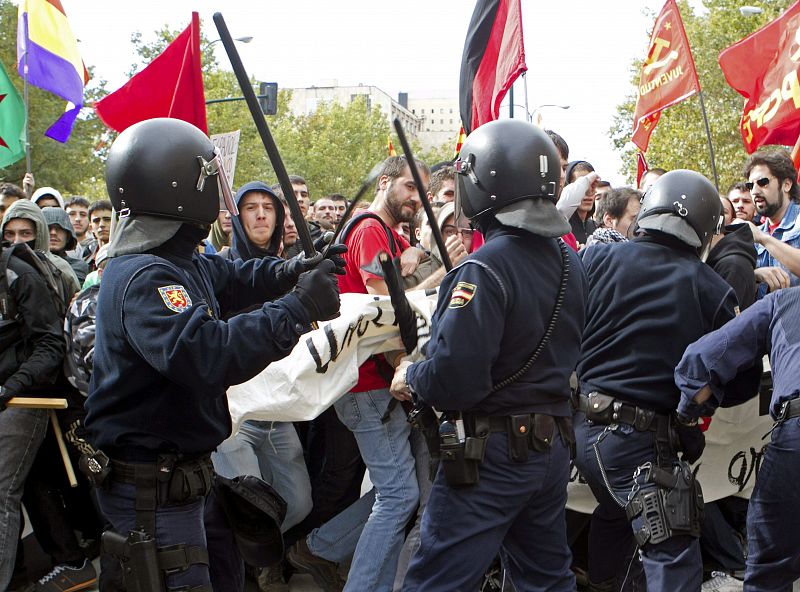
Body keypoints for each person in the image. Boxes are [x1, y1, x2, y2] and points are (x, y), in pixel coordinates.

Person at [83, 118, 343, 591]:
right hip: (154, 492)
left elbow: (236, 276)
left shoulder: (178, 260)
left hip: (187, 481)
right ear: (182, 186)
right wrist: (299, 307)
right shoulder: (146, 275)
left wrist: (294, 270)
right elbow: (206, 354)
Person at [391, 119, 587, 591]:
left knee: (437, 582)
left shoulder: (482, 267)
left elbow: (455, 379)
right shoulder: (570, 261)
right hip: (550, 447)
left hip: (491, 454)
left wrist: (412, 376)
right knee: (545, 580)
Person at [574, 169, 738, 591]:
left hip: (582, 430)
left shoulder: (595, 258)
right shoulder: (713, 289)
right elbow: (736, 381)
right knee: (672, 559)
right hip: (638, 442)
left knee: (615, 519)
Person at [287, 155, 428, 592]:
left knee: (398, 493)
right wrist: (401, 364)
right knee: (400, 496)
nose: (416, 198)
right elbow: (385, 308)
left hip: (374, 384)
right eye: (409, 187)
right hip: (368, 385)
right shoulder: (369, 229)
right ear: (384, 182)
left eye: (421, 191)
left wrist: (420, 254)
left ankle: (321, 549)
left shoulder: (385, 232)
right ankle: (335, 562)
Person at [209, 181, 315, 591]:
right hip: (234, 411)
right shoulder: (220, 267)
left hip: (277, 409)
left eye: (268, 207)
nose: (259, 215)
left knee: (298, 502)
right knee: (247, 507)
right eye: (250, 207)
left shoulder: (290, 270)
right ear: (236, 217)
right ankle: (236, 571)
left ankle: (253, 557)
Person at [675, 286, 800, 591]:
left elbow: (704, 359)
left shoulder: (785, 301)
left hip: (796, 432)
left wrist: (687, 418)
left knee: (769, 571)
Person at [0, 209, 68, 592]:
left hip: (25, 398)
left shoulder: (19, 275)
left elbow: (51, 344)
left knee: (1, 490)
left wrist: (11, 387)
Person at [744, 149, 800, 297]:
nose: (754, 191)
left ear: (786, 185)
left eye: (763, 182)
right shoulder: (754, 233)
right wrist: (755, 275)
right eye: (750, 185)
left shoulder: (759, 235)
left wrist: (764, 239)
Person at [42, 206, 90, 284]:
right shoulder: (29, 263)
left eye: (59, 228)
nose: (53, 233)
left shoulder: (78, 267)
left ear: (68, 236)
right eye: (48, 228)